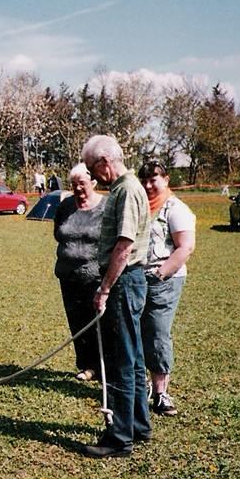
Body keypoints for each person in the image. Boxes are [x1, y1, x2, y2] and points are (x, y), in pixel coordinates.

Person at [80, 135, 151, 459]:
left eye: (94, 170)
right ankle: (138, 424)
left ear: (105, 161)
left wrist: (104, 288)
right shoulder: (130, 187)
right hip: (131, 282)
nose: (93, 178)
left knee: (121, 361)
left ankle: (119, 437)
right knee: (134, 357)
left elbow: (123, 247)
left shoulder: (125, 190)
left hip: (123, 283)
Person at [137, 161, 196, 417]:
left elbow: (185, 247)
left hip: (164, 280)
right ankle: (143, 387)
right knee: (138, 332)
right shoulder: (141, 208)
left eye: (154, 180)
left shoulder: (176, 209)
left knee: (158, 334)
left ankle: (161, 393)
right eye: (145, 180)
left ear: (166, 179)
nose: (149, 185)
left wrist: (161, 274)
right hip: (137, 278)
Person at [53, 163, 108, 382]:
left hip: (95, 277)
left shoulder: (105, 206)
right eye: (73, 184)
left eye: (82, 184)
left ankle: (106, 367)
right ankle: (87, 366)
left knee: (99, 323)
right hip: (67, 276)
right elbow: (59, 233)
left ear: (93, 182)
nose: (77, 189)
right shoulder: (66, 205)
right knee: (77, 323)